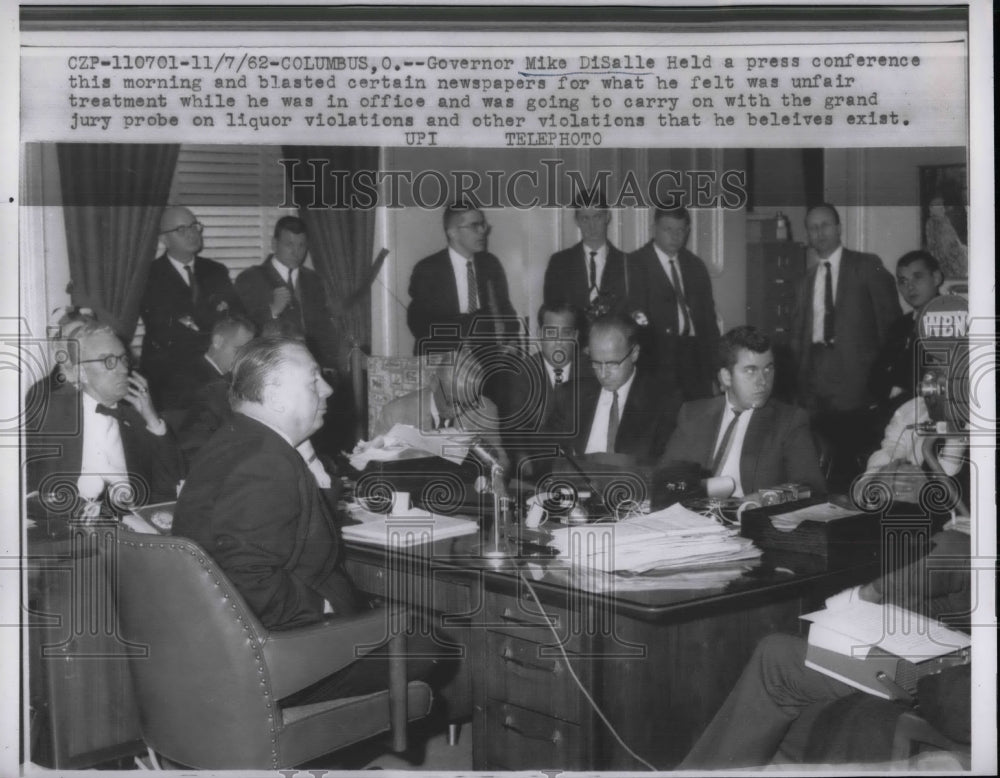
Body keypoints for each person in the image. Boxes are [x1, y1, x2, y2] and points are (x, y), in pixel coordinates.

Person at [678, 523, 971, 770]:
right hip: (953, 662)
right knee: (777, 652)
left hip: (950, 687)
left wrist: (938, 673)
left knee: (781, 662)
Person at [790, 203, 901, 489]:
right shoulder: (805, 280)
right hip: (815, 385)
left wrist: (884, 383)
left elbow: (892, 327)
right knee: (822, 461)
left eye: (825, 225)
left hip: (857, 385)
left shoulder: (866, 266)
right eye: (813, 227)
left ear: (839, 228)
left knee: (854, 460)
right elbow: (798, 337)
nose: (819, 232)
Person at [25, 320, 183, 516]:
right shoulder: (50, 414)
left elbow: (172, 483)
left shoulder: (137, 415)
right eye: (109, 361)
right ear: (81, 372)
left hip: (131, 529)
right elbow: (27, 488)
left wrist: (153, 421)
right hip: (69, 531)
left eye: (124, 359)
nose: (123, 370)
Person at [659, 326, 825, 497]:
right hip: (693, 517)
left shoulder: (789, 421)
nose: (762, 381)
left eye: (768, 369)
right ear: (726, 377)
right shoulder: (693, 415)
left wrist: (765, 499)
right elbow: (665, 480)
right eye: (750, 371)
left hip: (748, 518)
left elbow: (811, 488)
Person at [139, 206, 241, 405]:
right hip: (171, 378)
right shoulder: (149, 276)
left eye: (194, 226)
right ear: (164, 239)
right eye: (181, 230)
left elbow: (236, 318)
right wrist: (214, 321)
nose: (192, 233)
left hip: (215, 373)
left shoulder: (215, 271)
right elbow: (165, 329)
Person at [623, 206, 720, 400]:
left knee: (696, 418)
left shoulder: (696, 266)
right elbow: (634, 315)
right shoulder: (635, 264)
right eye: (668, 230)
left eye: (680, 230)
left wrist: (716, 367)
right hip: (656, 359)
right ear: (654, 229)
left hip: (694, 357)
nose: (675, 236)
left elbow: (709, 320)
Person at [372, 337, 509, 473]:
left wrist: (496, 467)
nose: (457, 411)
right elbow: (376, 466)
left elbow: (502, 463)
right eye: (450, 401)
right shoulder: (395, 412)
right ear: (434, 383)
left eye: (466, 404)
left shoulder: (485, 409)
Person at [235, 215, 344, 373]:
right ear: (274, 244)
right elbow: (241, 329)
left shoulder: (314, 280)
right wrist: (271, 311)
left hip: (312, 366)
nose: (296, 252)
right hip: (270, 367)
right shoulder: (250, 278)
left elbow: (323, 326)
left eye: (302, 245)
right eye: (289, 244)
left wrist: (329, 362)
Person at [406, 201, 519, 351]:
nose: (482, 231)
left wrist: (510, 337)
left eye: (483, 225)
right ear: (452, 232)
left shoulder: (491, 264)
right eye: (474, 226)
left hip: (489, 356)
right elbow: (420, 327)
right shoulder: (428, 270)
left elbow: (507, 313)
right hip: (445, 358)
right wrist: (473, 324)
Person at [573, 313, 682, 463]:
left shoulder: (663, 401)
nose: (603, 374)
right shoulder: (571, 396)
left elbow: (666, 465)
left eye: (613, 364)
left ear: (634, 353)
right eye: (596, 363)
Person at [498, 303, 587, 478]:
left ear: (576, 336)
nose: (559, 342)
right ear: (540, 334)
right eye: (551, 333)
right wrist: (523, 460)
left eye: (566, 333)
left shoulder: (591, 371)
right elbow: (514, 431)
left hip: (584, 466)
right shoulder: (522, 375)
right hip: (537, 470)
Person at [869, 250, 944, 422]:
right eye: (903, 281)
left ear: (936, 278)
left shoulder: (949, 320)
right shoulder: (900, 325)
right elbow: (876, 374)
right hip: (889, 411)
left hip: (924, 416)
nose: (909, 287)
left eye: (917, 277)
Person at [174, 315, 255, 461]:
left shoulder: (232, 378)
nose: (244, 359)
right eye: (238, 350)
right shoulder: (192, 381)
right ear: (217, 342)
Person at [543, 199, 627, 319]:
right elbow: (552, 313)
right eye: (585, 218)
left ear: (607, 217)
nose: (592, 226)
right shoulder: (559, 263)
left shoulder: (627, 264)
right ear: (576, 221)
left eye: (597, 217)